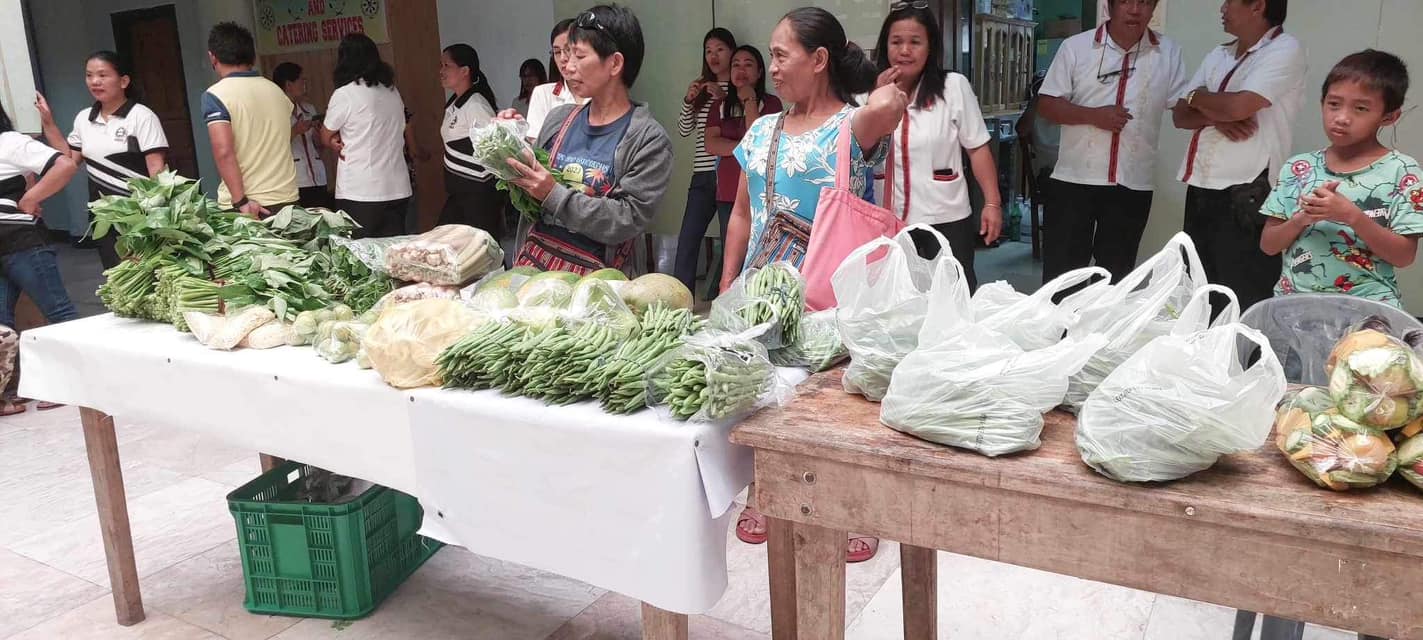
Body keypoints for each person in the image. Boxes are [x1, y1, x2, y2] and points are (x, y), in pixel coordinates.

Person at [719, 7, 907, 564]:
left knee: (839, 406)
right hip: (764, 291)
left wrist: (879, 93)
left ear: (819, 59)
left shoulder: (852, 125)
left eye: (781, 56)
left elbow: (890, 106)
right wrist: (729, 282)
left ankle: (856, 508)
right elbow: (741, 214)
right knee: (766, 398)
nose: (770, 67)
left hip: (834, 292)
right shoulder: (759, 132)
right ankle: (765, 492)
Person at [499, 5, 673, 275]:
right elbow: (527, 197)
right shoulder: (558, 119)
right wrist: (506, 144)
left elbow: (625, 219)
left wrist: (553, 194)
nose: (567, 67)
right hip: (537, 272)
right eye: (565, 55)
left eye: (579, 56)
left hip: (599, 290)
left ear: (614, 63)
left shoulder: (648, 139)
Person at [1036, 0, 1186, 285]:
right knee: (1063, 274)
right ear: (1110, 6)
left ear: (1153, 8)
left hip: (1132, 184)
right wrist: (1094, 116)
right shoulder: (1076, 47)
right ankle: (1058, 330)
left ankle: (1104, 330)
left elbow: (1181, 107)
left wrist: (1220, 111)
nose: (1135, 10)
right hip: (1075, 180)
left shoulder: (1168, 52)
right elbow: (1047, 105)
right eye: (1127, 1)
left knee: (1117, 274)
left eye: (1144, 2)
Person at [1172, 0, 1305, 311]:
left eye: (1229, 1)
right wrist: (1215, 115)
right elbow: (1180, 115)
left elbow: (1239, 107)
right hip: (1202, 184)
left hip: (1248, 189)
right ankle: (1204, 358)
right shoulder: (1219, 53)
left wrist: (1200, 100)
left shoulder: (1284, 49)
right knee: (1200, 288)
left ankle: (1245, 360)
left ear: (1257, 6)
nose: (1222, 8)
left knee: (1244, 290)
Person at [1260, 50, 1420, 307]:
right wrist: (1304, 217)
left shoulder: (1402, 172)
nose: (1342, 118)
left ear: (1390, 117)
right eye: (1333, 104)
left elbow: (1403, 256)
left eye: (1360, 108)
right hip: (1295, 308)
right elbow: (1268, 245)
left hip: (1368, 310)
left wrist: (1351, 216)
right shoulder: (1298, 168)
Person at [872, 1, 1001, 290]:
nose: (905, 51)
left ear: (930, 48)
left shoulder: (953, 87)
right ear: (885, 47)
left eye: (915, 42)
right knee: (898, 305)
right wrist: (877, 100)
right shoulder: (867, 94)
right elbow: (861, 150)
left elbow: (978, 148)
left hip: (946, 219)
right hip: (888, 223)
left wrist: (992, 202)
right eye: (896, 42)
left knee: (953, 298)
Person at [34, 51, 167, 270]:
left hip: (138, 214)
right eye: (89, 75)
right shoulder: (84, 118)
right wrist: (48, 123)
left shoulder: (142, 116)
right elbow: (69, 161)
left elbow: (156, 168)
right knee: (117, 278)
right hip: (103, 216)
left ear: (123, 81)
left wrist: (155, 215)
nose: (95, 81)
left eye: (103, 75)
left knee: (146, 277)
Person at [0, 102, 80, 415]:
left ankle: (78, 385)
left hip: (24, 243)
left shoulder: (9, 142)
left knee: (58, 312)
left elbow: (64, 165)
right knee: (2, 325)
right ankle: (5, 394)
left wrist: (31, 198)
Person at [702, 46, 782, 299]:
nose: (741, 70)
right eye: (736, 64)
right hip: (727, 191)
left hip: (760, 194)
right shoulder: (720, 106)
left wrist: (749, 101)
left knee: (759, 251)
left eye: (748, 65)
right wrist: (744, 148)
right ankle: (731, 302)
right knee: (732, 252)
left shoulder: (771, 103)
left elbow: (762, 138)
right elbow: (711, 144)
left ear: (760, 72)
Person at [319, 33, 412, 239]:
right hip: (397, 188)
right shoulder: (392, 91)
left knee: (360, 257)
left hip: (360, 191)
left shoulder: (345, 94)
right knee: (392, 254)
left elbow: (325, 135)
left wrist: (333, 142)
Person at [202, 22, 299, 216]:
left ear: (212, 56)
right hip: (286, 199)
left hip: (248, 205)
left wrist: (241, 202)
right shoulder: (277, 92)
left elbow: (223, 151)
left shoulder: (215, 95)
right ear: (252, 57)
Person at [672, 28, 737, 295]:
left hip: (730, 175)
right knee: (688, 238)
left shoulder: (739, 88)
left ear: (732, 51)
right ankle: (680, 296)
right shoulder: (700, 88)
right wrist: (689, 100)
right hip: (702, 174)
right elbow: (683, 130)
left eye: (720, 49)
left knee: (730, 240)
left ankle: (728, 298)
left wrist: (723, 100)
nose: (714, 56)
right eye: (709, 51)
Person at [437, 43, 505, 237]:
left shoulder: (476, 104)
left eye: (446, 66)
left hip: (479, 194)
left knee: (485, 251)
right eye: (441, 65)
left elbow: (495, 148)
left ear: (465, 70)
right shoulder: (454, 104)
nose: (441, 71)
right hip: (460, 195)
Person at [271, 62, 332, 210]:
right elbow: (273, 144)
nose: (304, 84)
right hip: (296, 180)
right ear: (288, 85)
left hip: (317, 176)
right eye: (300, 80)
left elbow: (318, 147)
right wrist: (295, 131)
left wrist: (319, 134)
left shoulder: (309, 109)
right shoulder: (275, 113)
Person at [526, 19, 585, 141]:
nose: (563, 58)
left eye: (568, 49)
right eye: (557, 52)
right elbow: (535, 144)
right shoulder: (543, 93)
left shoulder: (599, 93)